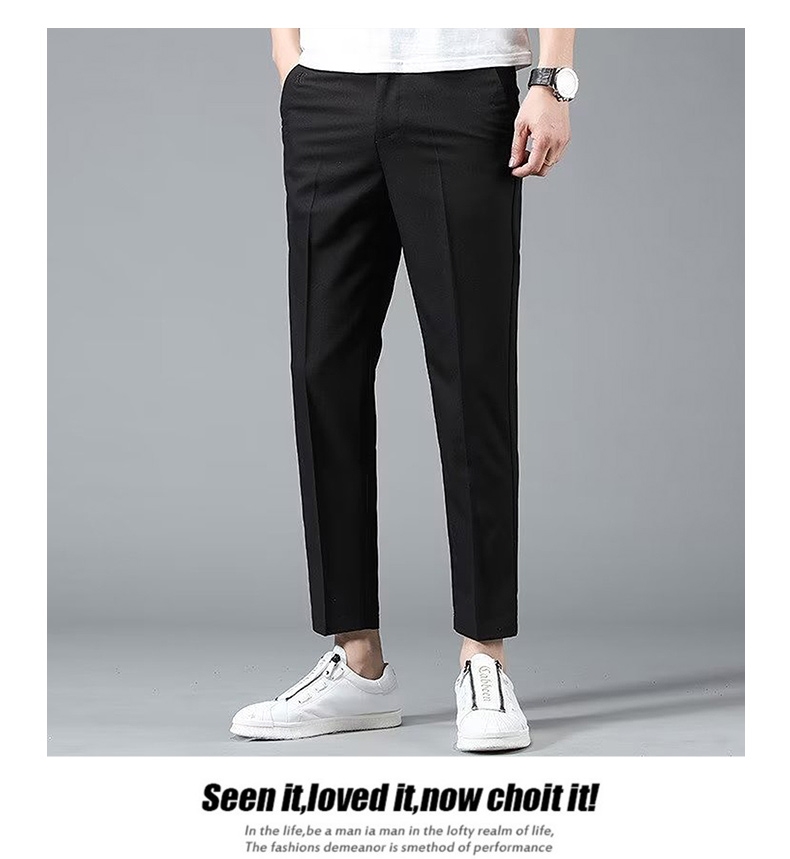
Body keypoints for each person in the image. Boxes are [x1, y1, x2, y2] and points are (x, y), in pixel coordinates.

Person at [231, 27, 578, 752]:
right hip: (328, 91)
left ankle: (484, 656)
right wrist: (290, 60)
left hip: (462, 84)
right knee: (322, 369)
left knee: (473, 371)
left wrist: (551, 80)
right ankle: (358, 662)